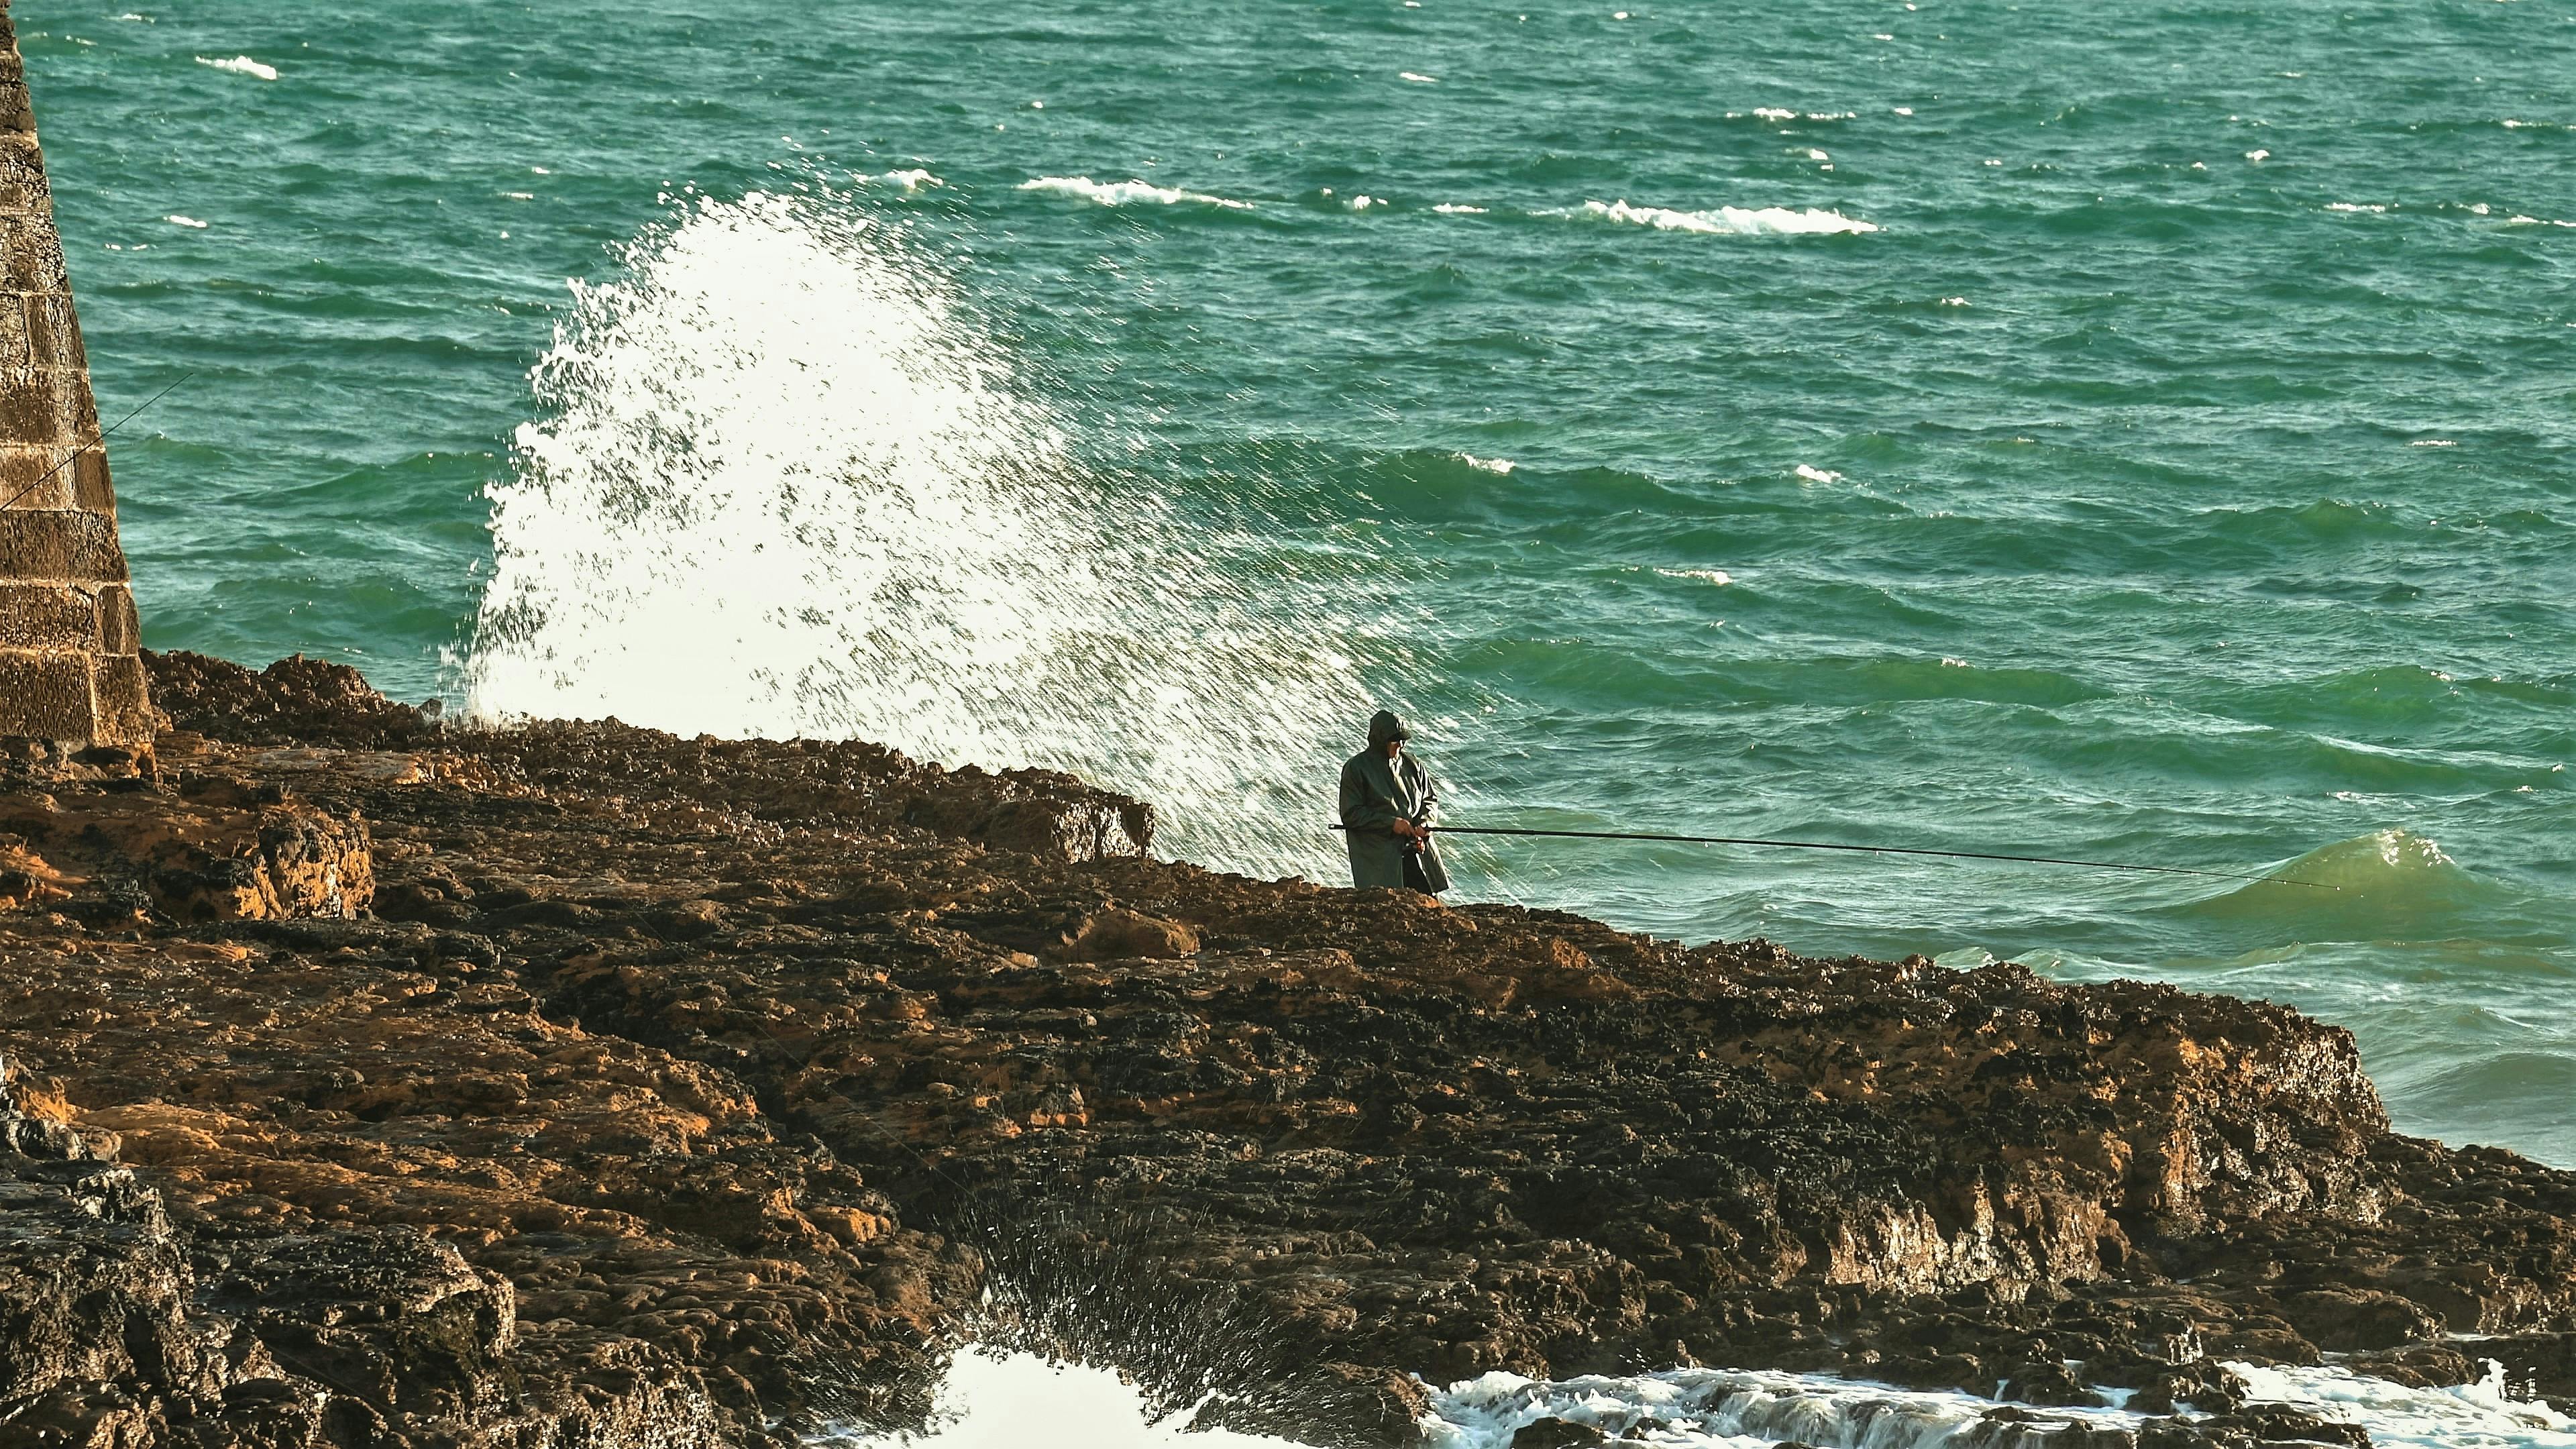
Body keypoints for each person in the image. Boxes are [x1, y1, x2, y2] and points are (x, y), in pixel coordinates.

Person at [1338, 710, 1450, 894]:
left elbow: (1429, 800)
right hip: (1380, 859)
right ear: (1380, 740)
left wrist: (1424, 824)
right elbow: (1351, 814)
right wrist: (1391, 824)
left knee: (1428, 901)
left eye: (1403, 740)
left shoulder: (1413, 765)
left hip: (1416, 849)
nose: (1401, 745)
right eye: (1395, 740)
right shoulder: (1356, 768)